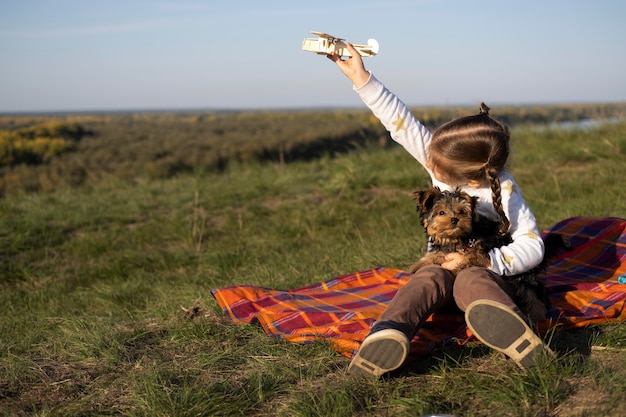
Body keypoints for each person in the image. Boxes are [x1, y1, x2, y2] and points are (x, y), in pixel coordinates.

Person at [326, 43, 553, 377]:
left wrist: (483, 260)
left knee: (473, 280)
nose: (428, 162)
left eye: (435, 163)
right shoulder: (441, 165)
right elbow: (401, 123)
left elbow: (533, 244)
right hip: (440, 270)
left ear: (467, 172)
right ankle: (387, 334)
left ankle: (516, 333)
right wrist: (361, 77)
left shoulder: (503, 190)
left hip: (484, 274)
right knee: (426, 277)